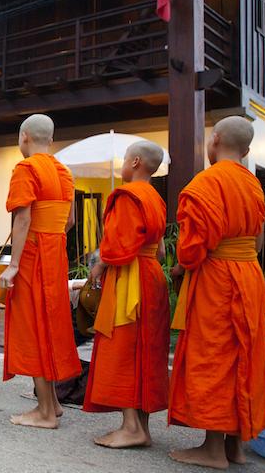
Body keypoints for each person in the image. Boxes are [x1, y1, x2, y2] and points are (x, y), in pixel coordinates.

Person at [168, 116, 265, 469]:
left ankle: (213, 450)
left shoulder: (206, 183)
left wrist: (181, 266)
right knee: (247, 354)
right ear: (245, 151)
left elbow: (193, 249)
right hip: (249, 276)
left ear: (214, 140)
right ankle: (236, 447)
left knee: (215, 355)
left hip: (217, 279)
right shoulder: (253, 184)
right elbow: (257, 241)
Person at [83, 141, 169, 448]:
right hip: (151, 277)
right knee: (146, 349)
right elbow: (158, 250)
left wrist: (99, 266)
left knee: (124, 348)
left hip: (129, 278)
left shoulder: (128, 195)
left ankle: (130, 426)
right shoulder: (156, 199)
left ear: (134, 162)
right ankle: (142, 428)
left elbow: (120, 246)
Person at [0, 114, 81, 428]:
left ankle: (46, 411)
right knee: (50, 323)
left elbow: (22, 219)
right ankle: (54, 404)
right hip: (55, 251)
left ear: (24, 137)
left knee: (33, 325)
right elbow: (70, 221)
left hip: (33, 255)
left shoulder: (26, 168)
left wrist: (15, 263)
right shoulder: (64, 171)